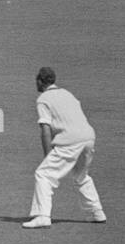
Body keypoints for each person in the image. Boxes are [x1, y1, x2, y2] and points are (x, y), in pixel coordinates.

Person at [23, 66, 107, 228]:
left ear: (40, 81)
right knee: (81, 175)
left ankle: (43, 216)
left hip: (71, 140)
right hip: (88, 137)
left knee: (43, 174)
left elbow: (45, 129)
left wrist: (48, 155)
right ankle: (97, 212)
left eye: (37, 80)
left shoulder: (43, 99)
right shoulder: (68, 94)